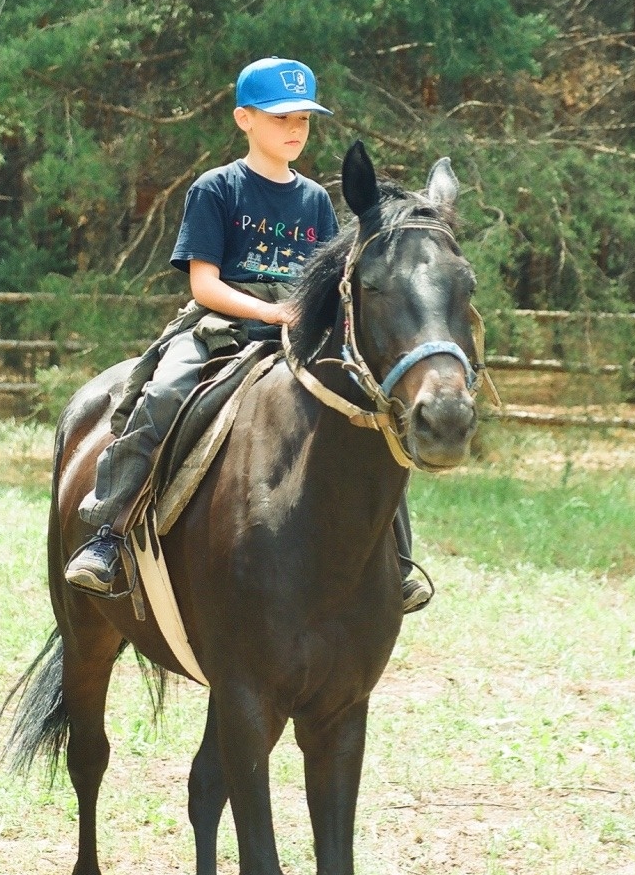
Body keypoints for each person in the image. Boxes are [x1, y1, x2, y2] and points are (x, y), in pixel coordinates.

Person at [65, 56, 431, 613]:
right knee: (164, 392)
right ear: (244, 118)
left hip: (299, 333)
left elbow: (333, 284)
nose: (294, 130)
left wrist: (311, 320)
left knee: (372, 412)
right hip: (224, 326)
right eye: (281, 116)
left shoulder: (313, 200)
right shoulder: (216, 189)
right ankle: (109, 534)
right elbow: (205, 285)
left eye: (303, 120)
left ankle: (398, 558)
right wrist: (275, 312)